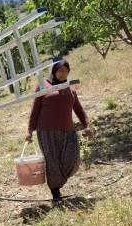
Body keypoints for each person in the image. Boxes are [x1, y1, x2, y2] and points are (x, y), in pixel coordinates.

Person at [25, 58, 94, 205]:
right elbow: (35, 110)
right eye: (60, 70)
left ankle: (58, 181)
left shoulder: (70, 87)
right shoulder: (43, 85)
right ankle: (56, 192)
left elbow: (79, 109)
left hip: (68, 130)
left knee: (73, 159)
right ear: (54, 71)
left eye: (66, 71)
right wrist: (30, 131)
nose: (63, 74)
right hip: (46, 132)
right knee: (53, 162)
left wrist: (87, 125)